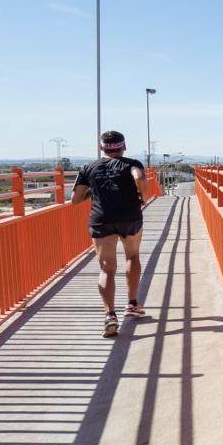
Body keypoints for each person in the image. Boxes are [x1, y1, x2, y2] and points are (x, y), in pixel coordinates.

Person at [71, 131, 149, 337]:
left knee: (106, 268)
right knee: (132, 256)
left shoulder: (88, 168)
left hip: (101, 220)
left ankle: (110, 316)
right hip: (130, 218)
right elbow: (139, 177)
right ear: (124, 147)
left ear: (102, 148)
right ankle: (132, 304)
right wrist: (142, 195)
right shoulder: (132, 163)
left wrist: (93, 191)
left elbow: (75, 199)